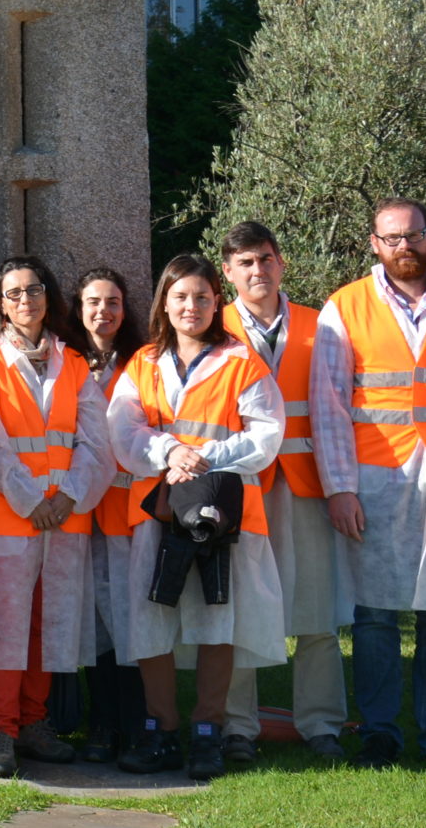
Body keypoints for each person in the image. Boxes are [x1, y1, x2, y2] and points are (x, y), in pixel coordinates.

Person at [310, 197, 426, 772]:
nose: (403, 247)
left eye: (413, 235)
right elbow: (328, 405)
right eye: (391, 238)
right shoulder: (344, 307)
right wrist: (339, 486)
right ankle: (380, 733)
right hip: (373, 476)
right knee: (374, 616)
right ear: (373, 243)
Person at [109, 254, 285, 780]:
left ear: (217, 302)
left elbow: (267, 433)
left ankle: (208, 730)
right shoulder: (140, 362)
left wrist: (205, 456)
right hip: (156, 511)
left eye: (203, 297)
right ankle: (161, 730)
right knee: (151, 621)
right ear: (164, 300)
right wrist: (168, 451)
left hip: (220, 516)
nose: (192, 306)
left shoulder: (241, 361)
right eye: (181, 296)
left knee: (216, 621)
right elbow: (124, 430)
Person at [0, 256, 108, 777]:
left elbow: (95, 440)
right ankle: (0, 732)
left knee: (49, 624)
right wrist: (30, 499)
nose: (26, 301)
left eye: (35, 290)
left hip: (62, 518)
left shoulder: (74, 362)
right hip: (5, 517)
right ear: (0, 303)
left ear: (49, 296)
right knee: (5, 628)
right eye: (14, 293)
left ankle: (34, 723)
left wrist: (69, 494)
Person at [219, 222, 348, 765]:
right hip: (239, 488)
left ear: (282, 264)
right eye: (245, 262)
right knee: (238, 607)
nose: (257, 270)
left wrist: (342, 486)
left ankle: (321, 724)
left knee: (317, 611)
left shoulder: (323, 328)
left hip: (305, 483)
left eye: (265, 259)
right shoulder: (211, 322)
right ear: (227, 272)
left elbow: (337, 413)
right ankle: (235, 727)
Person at [64, 266, 144, 764]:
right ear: (78, 308)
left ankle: (135, 723)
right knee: (89, 623)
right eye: (93, 302)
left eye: (113, 302)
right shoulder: (64, 363)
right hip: (75, 514)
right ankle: (99, 723)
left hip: (125, 513)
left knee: (129, 622)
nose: (103, 312)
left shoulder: (143, 363)